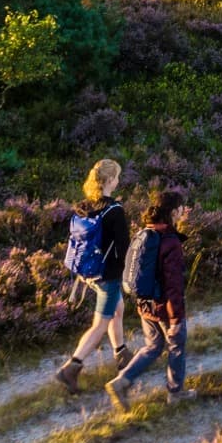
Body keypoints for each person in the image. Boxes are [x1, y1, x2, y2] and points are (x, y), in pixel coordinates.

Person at [54, 158, 130, 393]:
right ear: (109, 181)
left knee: (118, 310)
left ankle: (122, 355)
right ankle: (71, 368)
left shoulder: (84, 206)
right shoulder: (115, 211)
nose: (118, 181)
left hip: (88, 272)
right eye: (116, 177)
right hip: (108, 275)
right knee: (100, 324)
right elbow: (123, 248)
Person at [108, 189, 188, 410]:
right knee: (176, 345)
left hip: (145, 305)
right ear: (173, 211)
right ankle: (175, 394)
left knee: (152, 346)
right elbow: (173, 285)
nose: (184, 212)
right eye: (181, 208)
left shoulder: (146, 232)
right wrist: (176, 319)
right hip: (164, 306)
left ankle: (122, 381)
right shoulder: (169, 241)